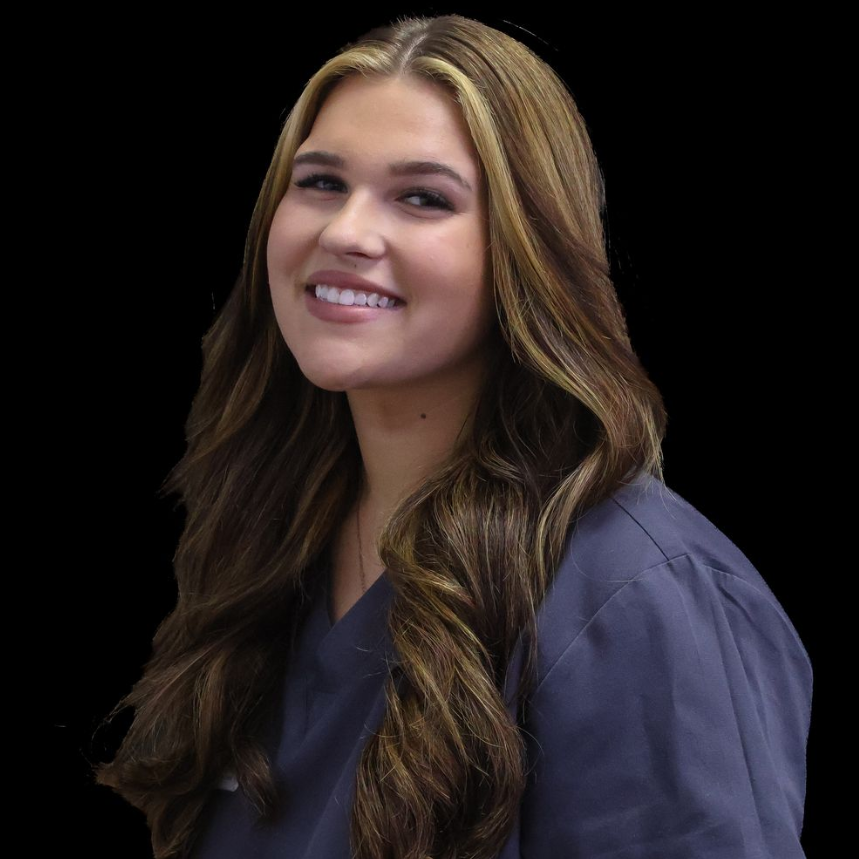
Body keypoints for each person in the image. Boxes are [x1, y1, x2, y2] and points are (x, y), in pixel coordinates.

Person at [93, 13, 813, 859]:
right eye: (320, 181)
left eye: (422, 198)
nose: (346, 232)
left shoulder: (636, 595)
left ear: (526, 249)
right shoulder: (271, 550)